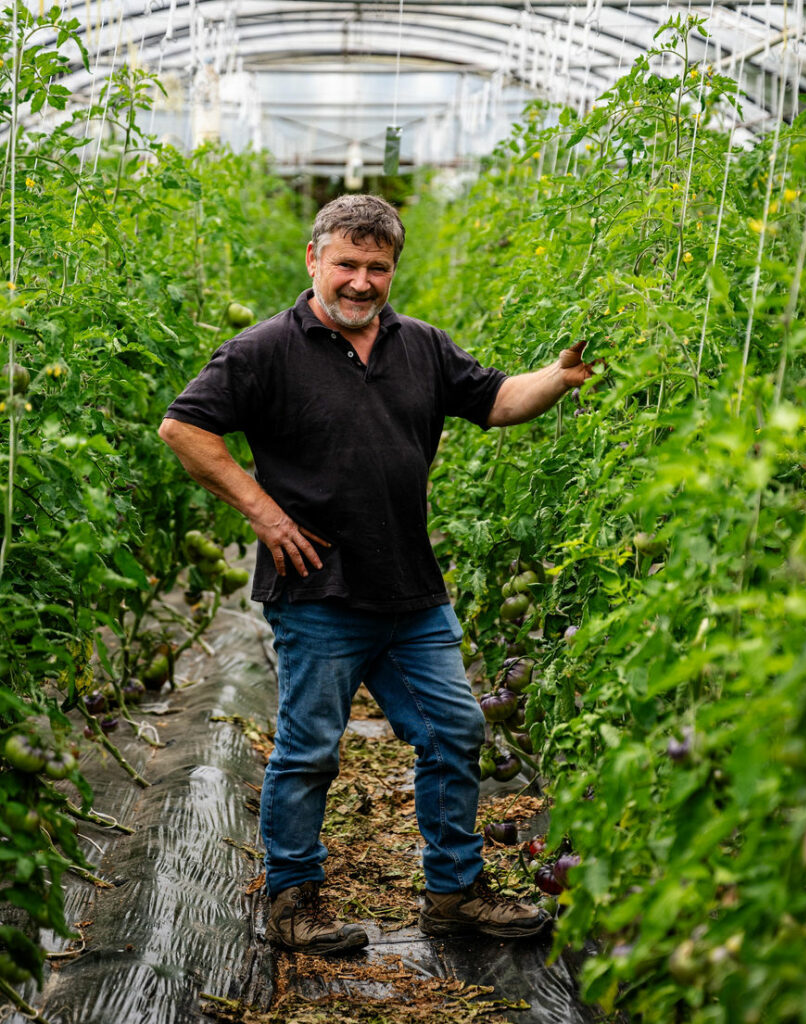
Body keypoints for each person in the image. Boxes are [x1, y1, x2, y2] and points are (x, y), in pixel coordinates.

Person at [159, 193, 594, 955]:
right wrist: (264, 514)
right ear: (314, 261)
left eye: (378, 268)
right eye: (348, 265)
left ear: (393, 270)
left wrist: (554, 380)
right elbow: (184, 428)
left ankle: (453, 894)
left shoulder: (419, 345)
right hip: (318, 592)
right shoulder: (262, 350)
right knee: (309, 748)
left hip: (411, 592)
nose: (362, 281)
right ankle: (293, 900)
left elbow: (494, 400)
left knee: (455, 732)